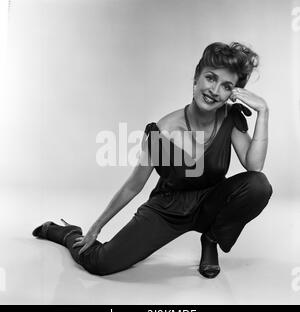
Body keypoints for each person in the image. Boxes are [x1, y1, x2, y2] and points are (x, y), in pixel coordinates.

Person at [33, 42, 273, 279]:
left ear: (232, 94)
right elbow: (133, 186)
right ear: (196, 79)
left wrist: (263, 112)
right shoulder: (164, 131)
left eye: (226, 86)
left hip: (210, 202)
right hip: (168, 209)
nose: (215, 90)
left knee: (258, 185)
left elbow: (254, 167)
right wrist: (97, 225)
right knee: (100, 263)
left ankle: (211, 239)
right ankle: (65, 233)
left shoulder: (229, 119)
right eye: (210, 78)